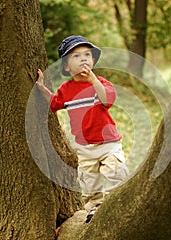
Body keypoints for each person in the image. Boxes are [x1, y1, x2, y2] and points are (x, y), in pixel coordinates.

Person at [36, 35, 129, 223]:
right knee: (90, 183)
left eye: (88, 54)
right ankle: (95, 209)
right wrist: (41, 88)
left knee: (115, 172)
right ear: (66, 66)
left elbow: (107, 100)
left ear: (93, 61)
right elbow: (55, 103)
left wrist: (94, 80)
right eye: (76, 56)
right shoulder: (66, 89)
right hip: (85, 149)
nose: (84, 58)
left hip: (108, 143)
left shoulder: (101, 83)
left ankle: (115, 204)